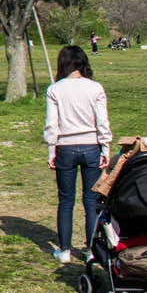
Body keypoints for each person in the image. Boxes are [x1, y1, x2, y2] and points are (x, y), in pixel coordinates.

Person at [43, 45, 112, 264]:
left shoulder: (55, 89)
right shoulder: (95, 88)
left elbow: (51, 124)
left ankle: (64, 250)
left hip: (65, 147)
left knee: (66, 200)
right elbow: (102, 122)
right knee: (91, 201)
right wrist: (106, 147)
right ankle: (91, 249)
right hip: (91, 146)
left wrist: (51, 149)